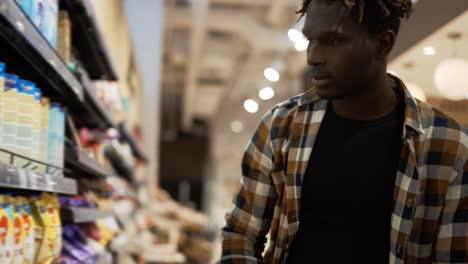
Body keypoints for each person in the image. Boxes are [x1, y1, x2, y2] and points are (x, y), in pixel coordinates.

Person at [221, 0, 468, 263]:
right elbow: (241, 234)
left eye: (333, 41)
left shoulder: (448, 145)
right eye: (310, 40)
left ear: (383, 43)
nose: (313, 57)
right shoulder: (281, 126)